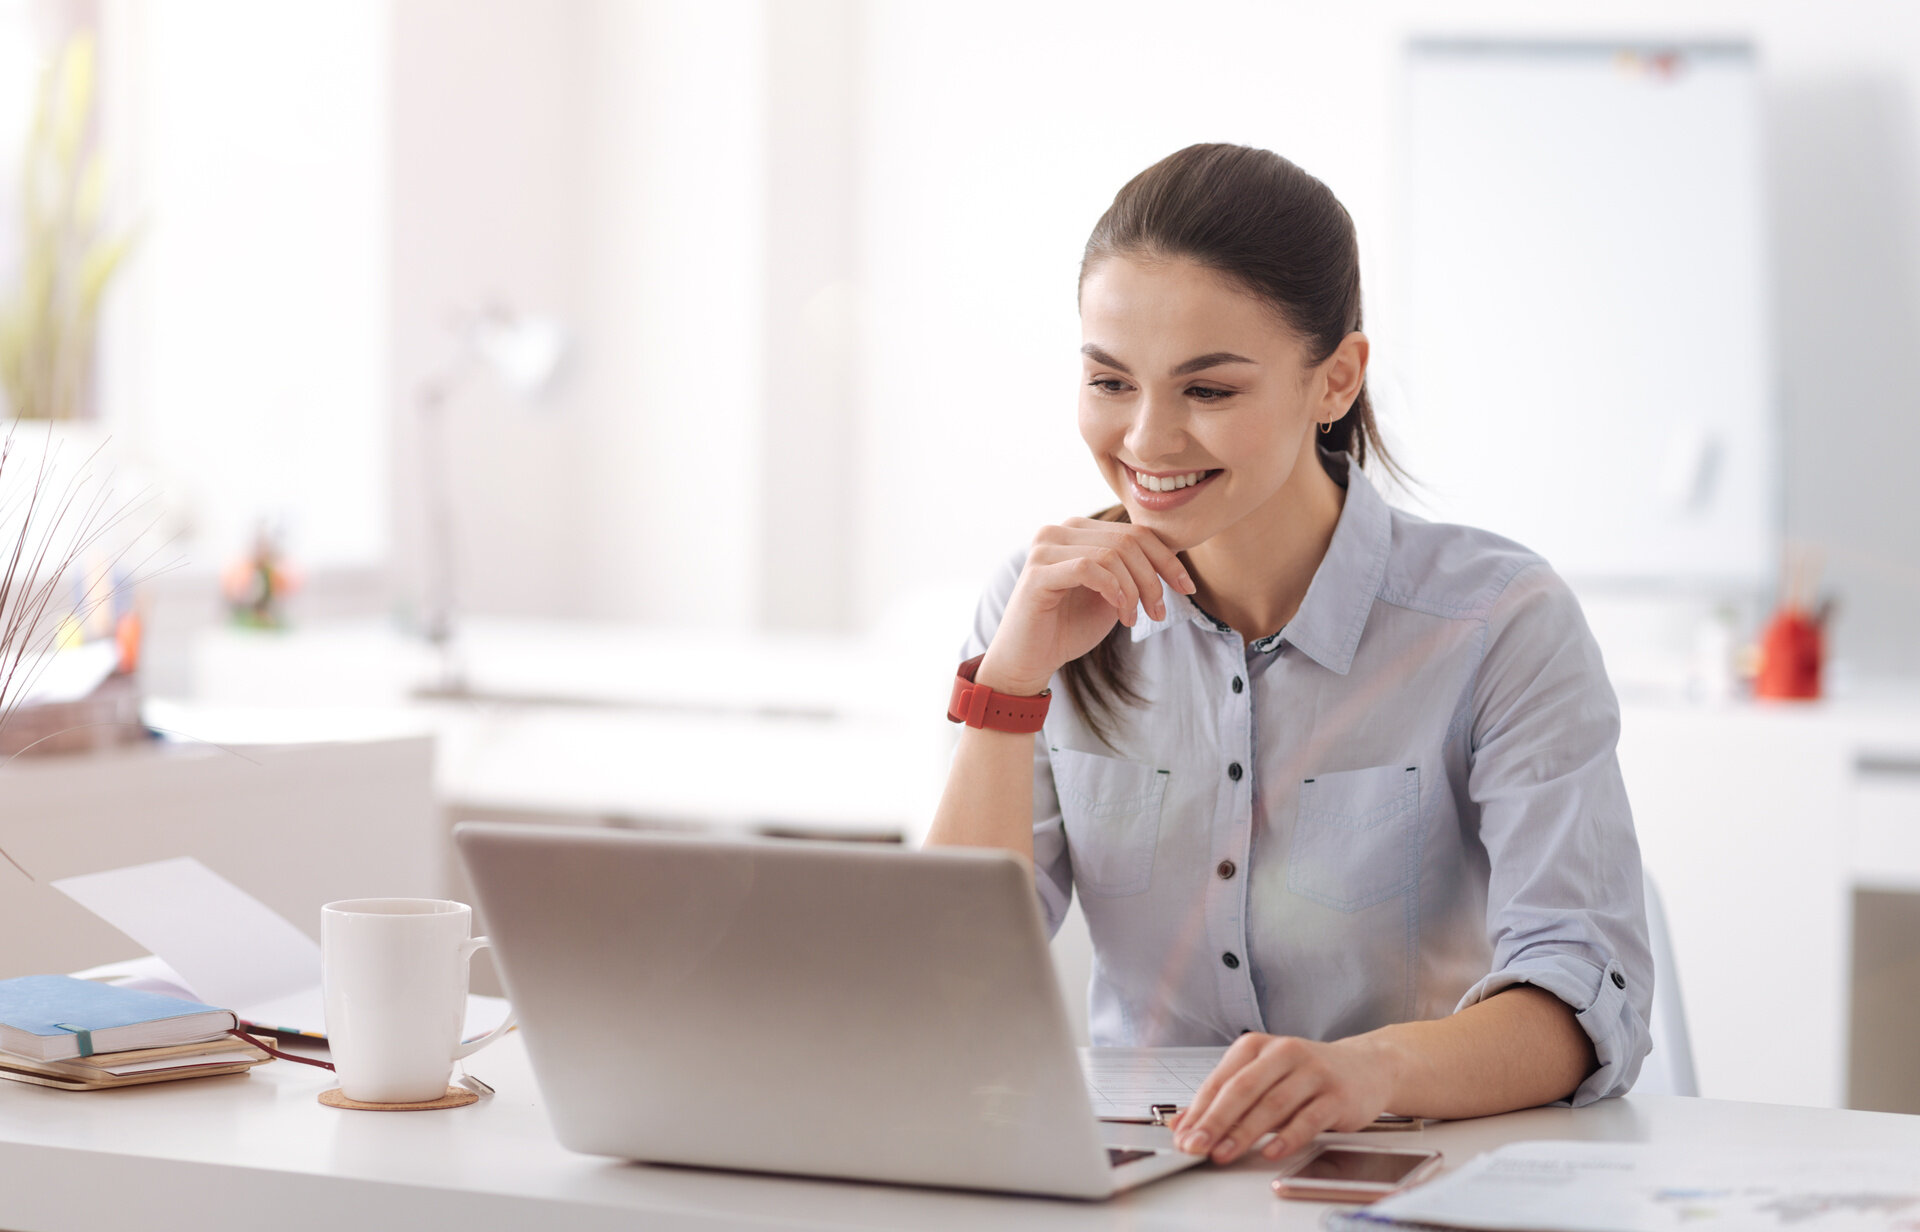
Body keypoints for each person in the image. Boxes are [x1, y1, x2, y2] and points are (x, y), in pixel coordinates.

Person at [925, 143, 1652, 1167]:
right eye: (1107, 379)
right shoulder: (1038, 604)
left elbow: (1585, 987)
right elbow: (946, 991)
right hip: (1138, 1179)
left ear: (1336, 379)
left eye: (1208, 389)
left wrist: (1370, 1069)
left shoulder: (1499, 620)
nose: (1146, 437)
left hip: (1419, 1170)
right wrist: (1008, 686)